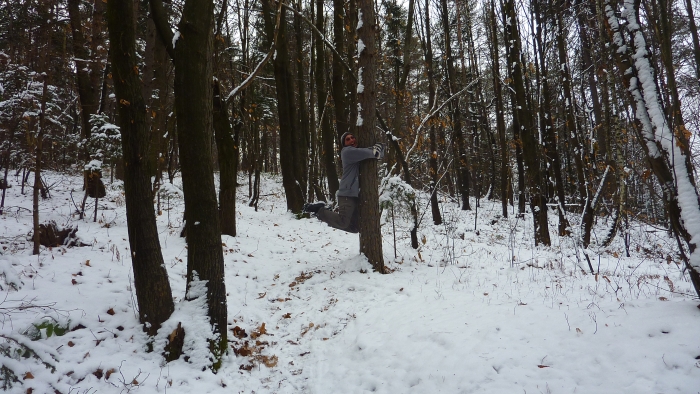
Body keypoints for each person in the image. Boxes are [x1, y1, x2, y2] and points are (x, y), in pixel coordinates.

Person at [303, 132, 385, 233]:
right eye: (347, 139)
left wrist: (378, 150)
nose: (351, 140)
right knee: (343, 222)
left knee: (355, 228)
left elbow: (378, 154)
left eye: (353, 137)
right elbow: (373, 153)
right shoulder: (347, 152)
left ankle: (324, 212)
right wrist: (379, 147)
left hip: (354, 195)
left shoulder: (356, 153)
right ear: (344, 144)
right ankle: (319, 210)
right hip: (347, 194)